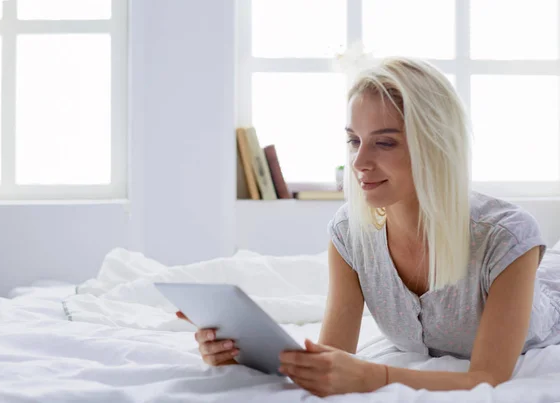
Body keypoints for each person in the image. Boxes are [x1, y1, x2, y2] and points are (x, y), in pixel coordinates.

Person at [177, 53, 560, 397]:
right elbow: (335, 356)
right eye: (354, 140)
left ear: (436, 145)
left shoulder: (506, 237)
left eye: (385, 143)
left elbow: (488, 376)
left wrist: (373, 377)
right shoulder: (349, 234)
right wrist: (240, 357)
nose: (359, 162)